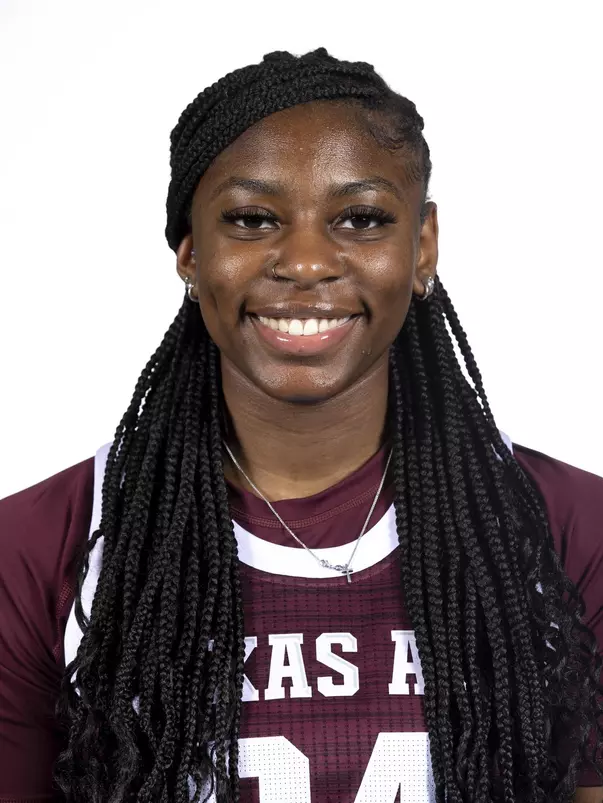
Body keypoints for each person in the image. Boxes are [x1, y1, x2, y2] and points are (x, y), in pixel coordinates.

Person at [0, 47, 601, 803]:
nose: (307, 260)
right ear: (190, 249)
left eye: (360, 218)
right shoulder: (41, 546)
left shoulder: (568, 527)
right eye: (252, 219)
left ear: (421, 246)